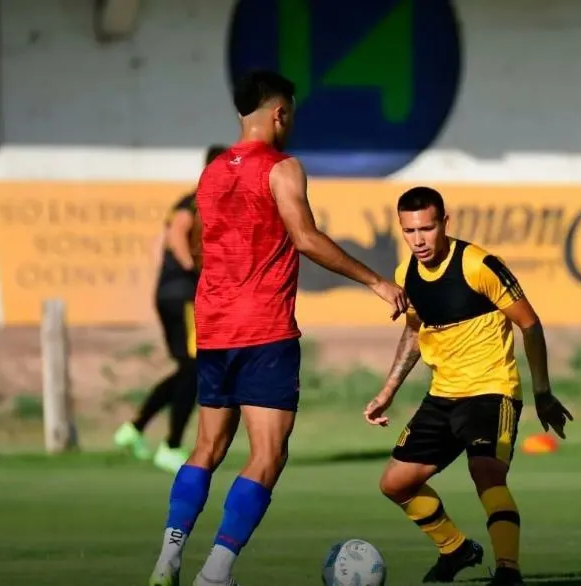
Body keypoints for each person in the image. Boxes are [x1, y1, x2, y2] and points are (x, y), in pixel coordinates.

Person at [147, 69, 408, 586]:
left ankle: (167, 559)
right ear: (279, 113)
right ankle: (216, 571)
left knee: (207, 448)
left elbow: (203, 245)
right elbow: (306, 239)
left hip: (215, 329)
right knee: (267, 453)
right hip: (263, 328)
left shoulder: (212, 173)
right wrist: (375, 281)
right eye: (291, 114)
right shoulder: (282, 168)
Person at [363, 187, 573, 586]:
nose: (419, 239)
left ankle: (509, 572)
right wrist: (387, 391)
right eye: (410, 230)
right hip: (442, 396)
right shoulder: (405, 275)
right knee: (395, 484)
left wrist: (543, 392)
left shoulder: (479, 265)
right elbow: (413, 332)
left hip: (492, 392)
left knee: (486, 472)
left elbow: (529, 322)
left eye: (427, 227)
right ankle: (456, 548)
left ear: (445, 222)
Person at [114, 144, 229, 473]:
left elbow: (164, 240)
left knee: (188, 369)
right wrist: (193, 271)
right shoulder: (197, 200)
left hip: (174, 294)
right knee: (196, 367)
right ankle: (171, 445)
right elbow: (176, 233)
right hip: (184, 295)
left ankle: (135, 428)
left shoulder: (204, 201)